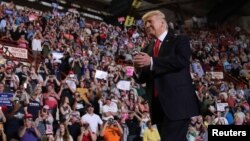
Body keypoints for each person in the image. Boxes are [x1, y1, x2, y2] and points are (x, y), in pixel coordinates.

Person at [133, 10, 200, 141]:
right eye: (145, 23)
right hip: (158, 106)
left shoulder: (179, 40)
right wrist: (137, 69)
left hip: (177, 103)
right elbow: (142, 79)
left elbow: (181, 60)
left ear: (162, 23)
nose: (146, 25)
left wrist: (152, 61)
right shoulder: (147, 48)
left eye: (150, 21)